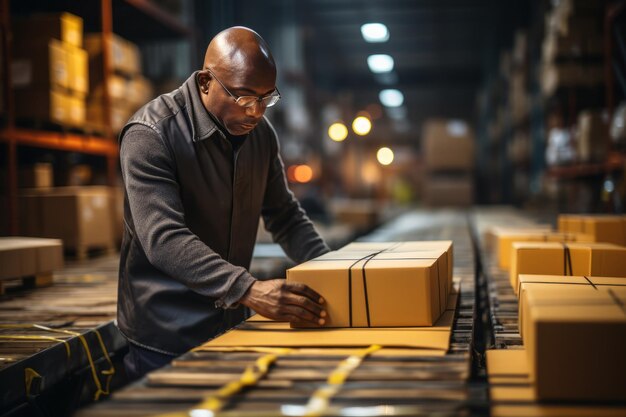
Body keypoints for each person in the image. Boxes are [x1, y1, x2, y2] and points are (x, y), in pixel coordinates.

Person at [117, 26, 330, 380]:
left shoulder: (260, 136)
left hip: (229, 326)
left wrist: (335, 270)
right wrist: (249, 289)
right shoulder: (151, 134)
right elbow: (164, 239)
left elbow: (285, 216)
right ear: (205, 82)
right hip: (165, 337)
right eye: (244, 97)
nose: (257, 112)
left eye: (267, 98)